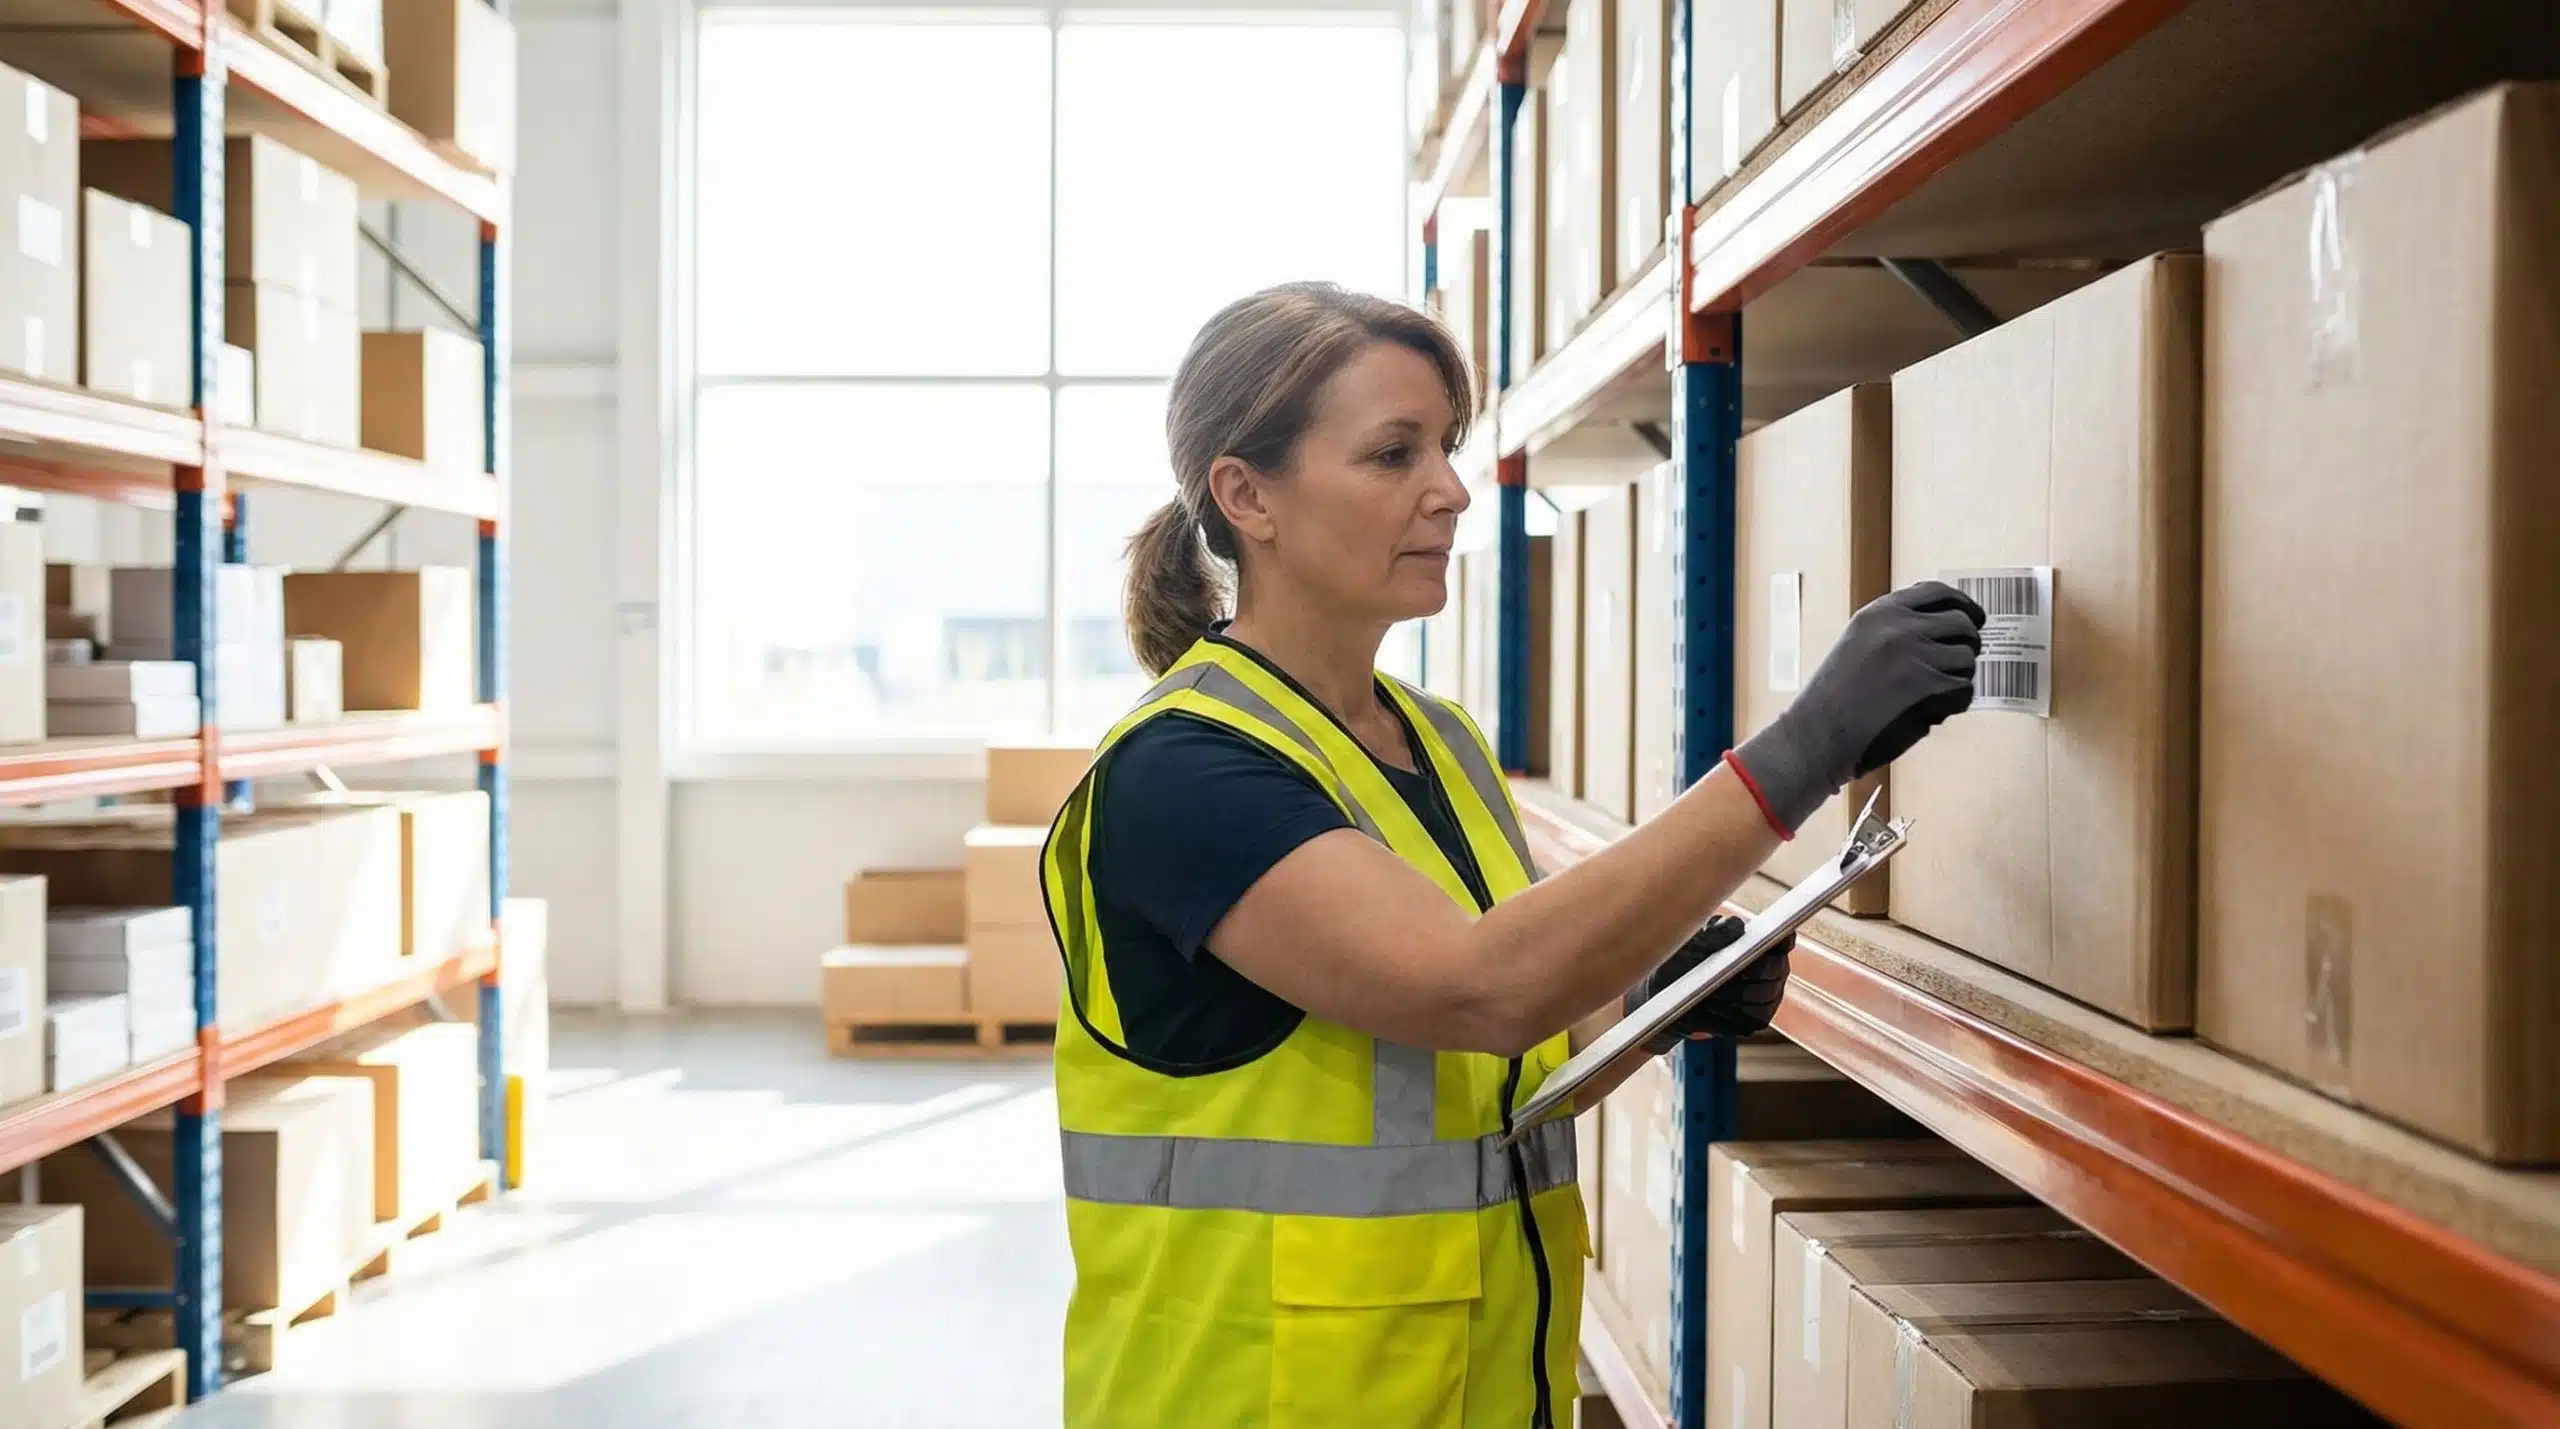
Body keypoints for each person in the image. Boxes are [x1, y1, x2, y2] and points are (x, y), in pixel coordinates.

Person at [1042, 282, 1984, 1429]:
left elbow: (1507, 1057)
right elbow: (1478, 985)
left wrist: (1649, 997)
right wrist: (1805, 749)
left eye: (1445, 445)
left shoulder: (1436, 742)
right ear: (1248, 496)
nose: (1447, 490)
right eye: (1392, 455)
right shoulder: (1182, 774)